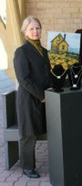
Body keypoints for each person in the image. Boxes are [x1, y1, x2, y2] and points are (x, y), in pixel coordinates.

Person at [13, 16, 52, 178]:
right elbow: (23, 79)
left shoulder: (44, 51)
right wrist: (42, 96)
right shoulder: (21, 51)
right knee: (29, 135)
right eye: (31, 29)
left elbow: (47, 74)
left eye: (37, 28)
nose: (35, 31)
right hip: (29, 100)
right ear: (25, 32)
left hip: (44, 99)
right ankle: (27, 167)